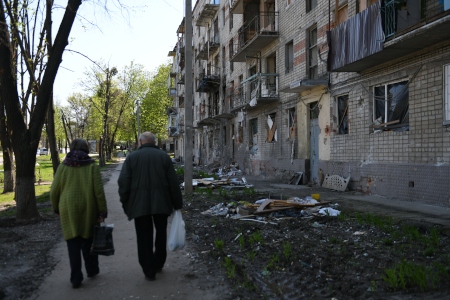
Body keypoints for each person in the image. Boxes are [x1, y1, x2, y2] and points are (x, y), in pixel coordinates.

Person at [118, 131, 183, 281]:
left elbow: (123, 183)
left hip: (139, 205)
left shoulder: (132, 158)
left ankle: (148, 269)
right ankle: (159, 262)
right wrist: (177, 203)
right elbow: (173, 183)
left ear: (140, 142)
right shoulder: (164, 157)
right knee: (161, 233)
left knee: (143, 236)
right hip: (162, 203)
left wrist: (125, 202)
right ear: (154, 142)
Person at [50, 139, 108, 289]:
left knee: (73, 242)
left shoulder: (63, 167)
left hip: (67, 208)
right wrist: (102, 211)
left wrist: (56, 208)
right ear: (86, 149)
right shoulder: (92, 167)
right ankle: (92, 270)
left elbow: (54, 191)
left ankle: (76, 277)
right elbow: (99, 192)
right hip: (89, 207)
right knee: (88, 239)